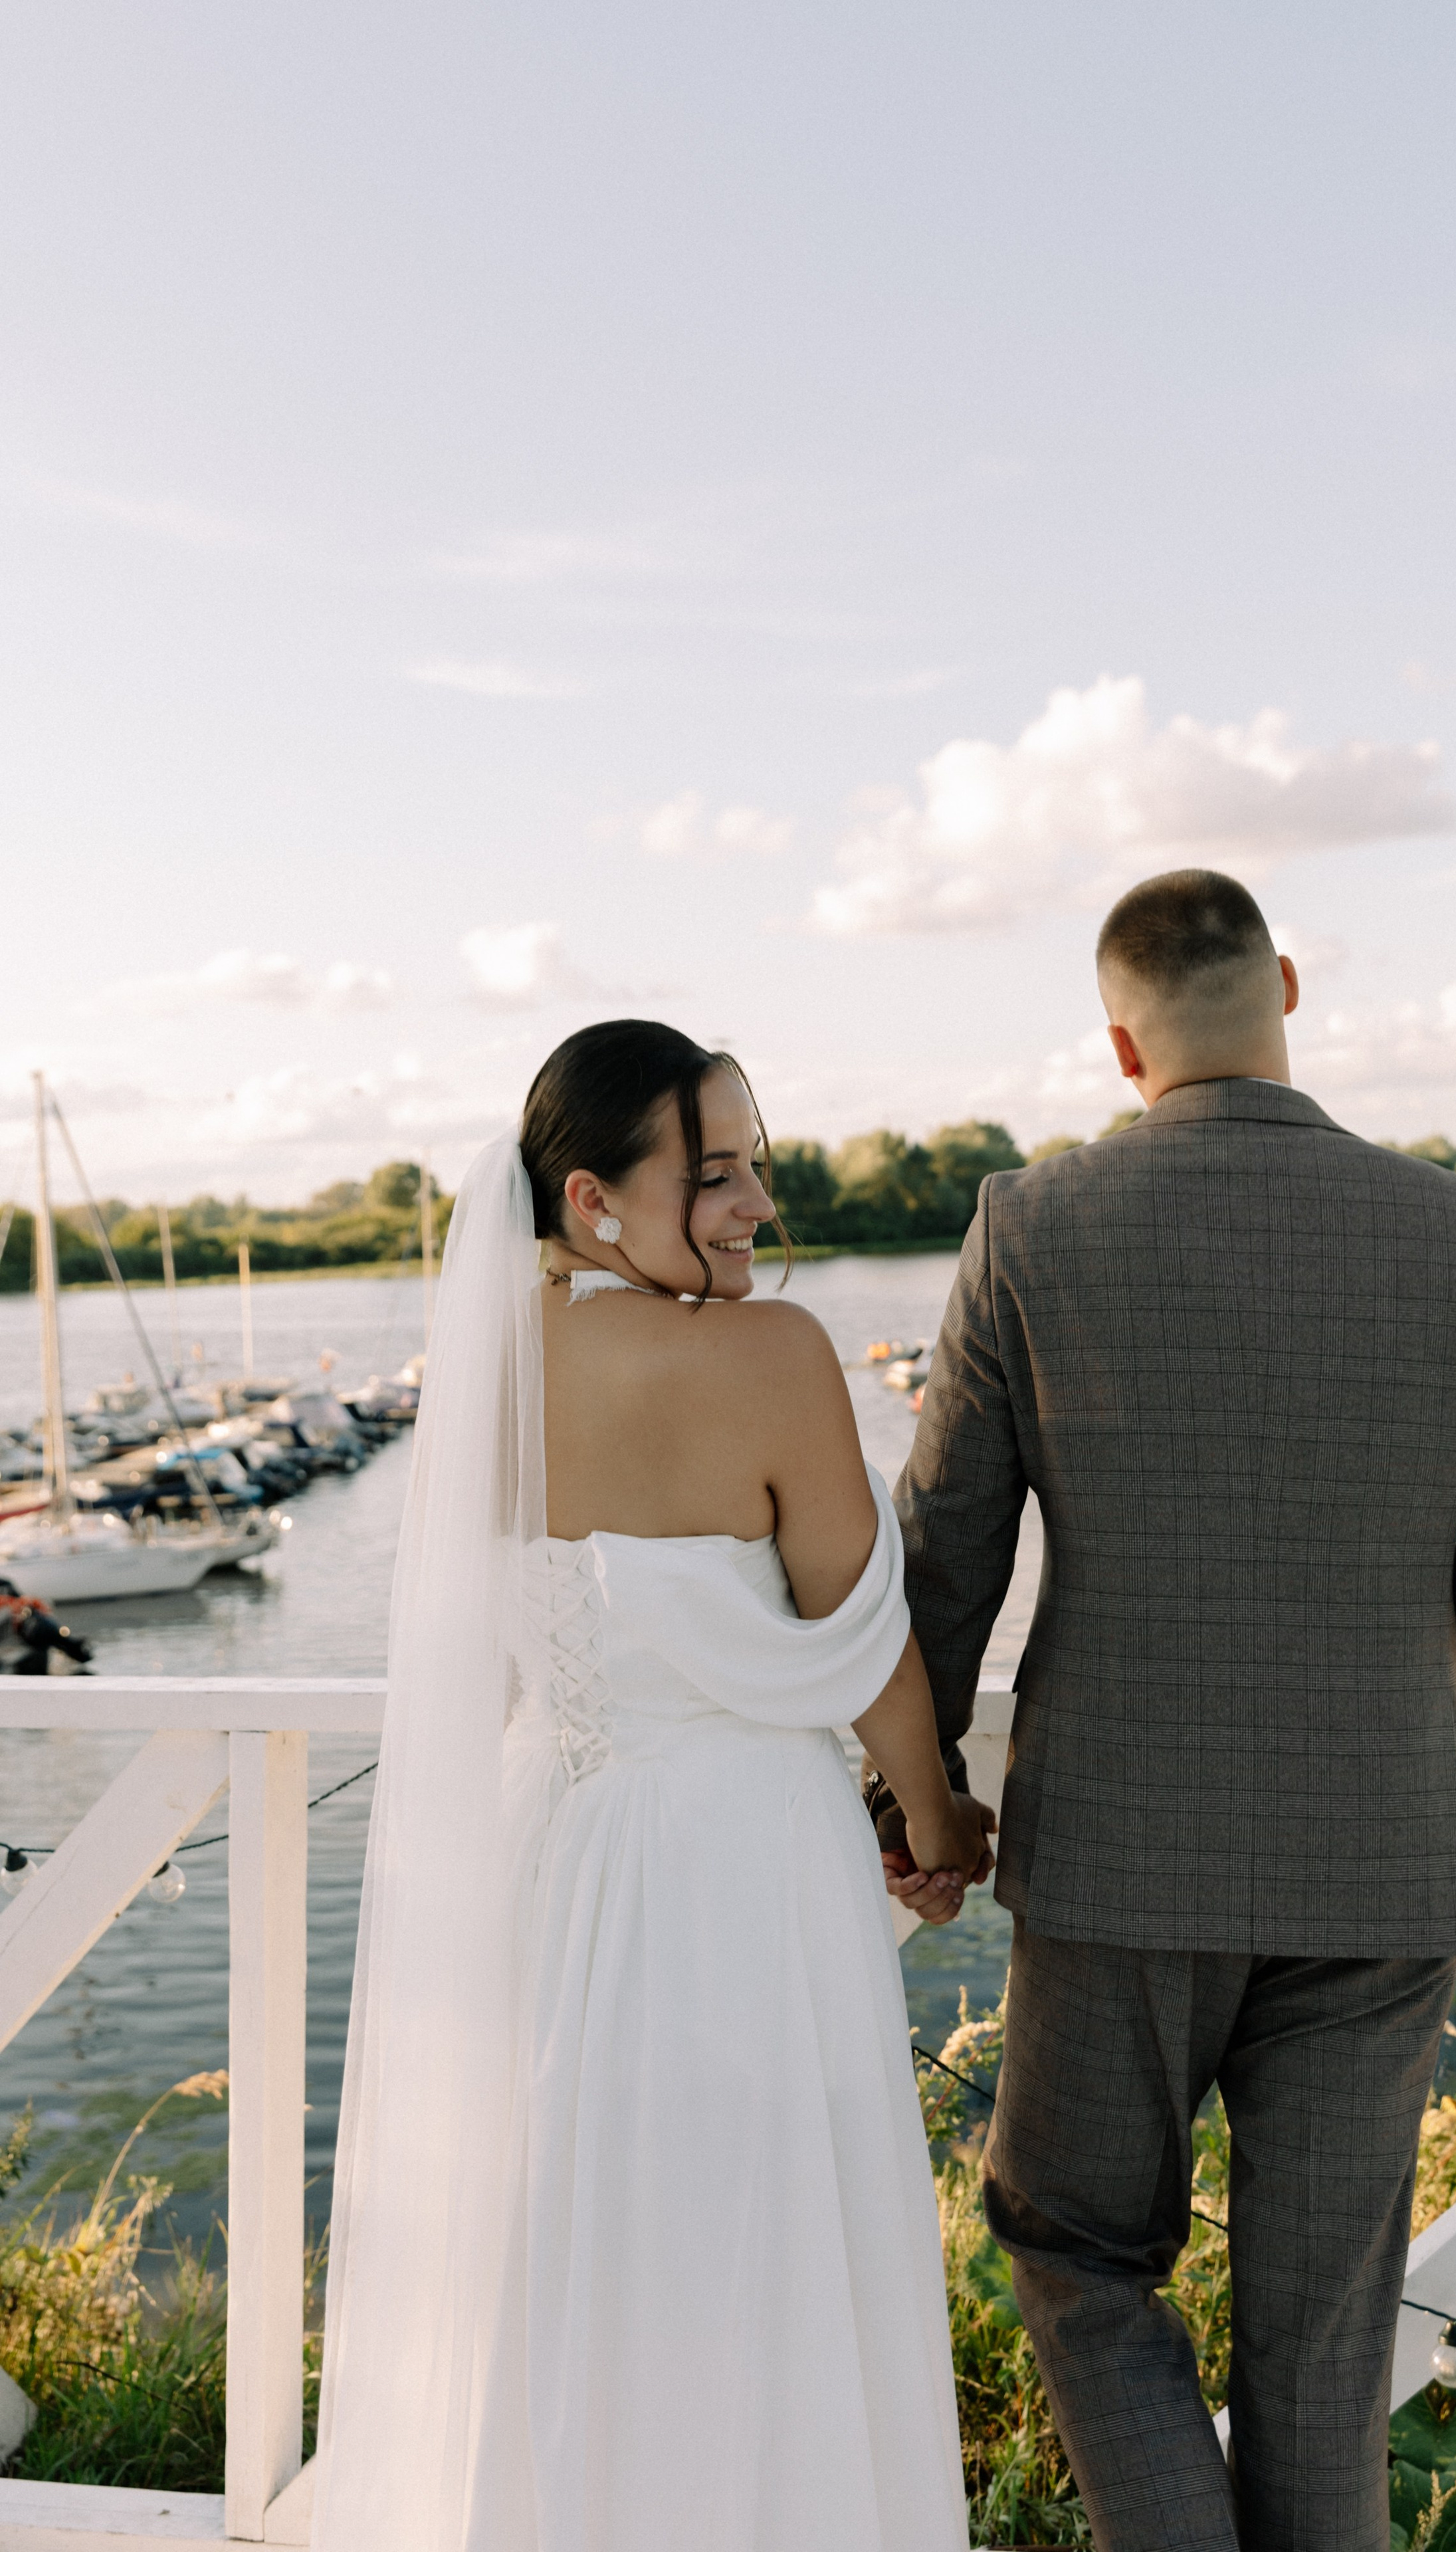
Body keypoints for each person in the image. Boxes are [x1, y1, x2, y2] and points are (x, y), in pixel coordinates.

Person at [873, 870, 1456, 2551]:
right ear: (1284, 984)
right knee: (1321, 2343)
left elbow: (941, 1569)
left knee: (1074, 2258)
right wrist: (1386, 1655)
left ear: (1119, 1043)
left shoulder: (1028, 1226)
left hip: (1117, 1856)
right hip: (1376, 1858)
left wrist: (911, 1807)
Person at [313, 1021, 988, 2552]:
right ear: (588, 1201)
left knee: (571, 2242)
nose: (762, 1207)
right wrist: (935, 1827)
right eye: (720, 1175)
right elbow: (861, 1635)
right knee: (760, 2248)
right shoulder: (770, 1355)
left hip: (547, 1855)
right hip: (743, 1866)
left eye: (758, 1167)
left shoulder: (485, 1377)